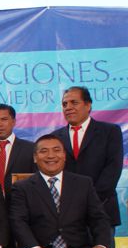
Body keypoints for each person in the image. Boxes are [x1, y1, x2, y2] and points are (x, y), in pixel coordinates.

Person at [10, 134, 120, 248]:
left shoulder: (83, 183)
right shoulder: (22, 187)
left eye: (56, 150)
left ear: (64, 155)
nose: (51, 155)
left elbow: (99, 218)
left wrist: (101, 245)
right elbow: (18, 222)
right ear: (35, 157)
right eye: (44, 151)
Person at [52, 86, 123, 228]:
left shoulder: (110, 131)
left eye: (74, 102)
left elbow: (112, 169)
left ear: (88, 105)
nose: (68, 107)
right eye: (65, 104)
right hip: (66, 215)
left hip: (101, 210)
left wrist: (88, 202)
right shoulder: (54, 137)